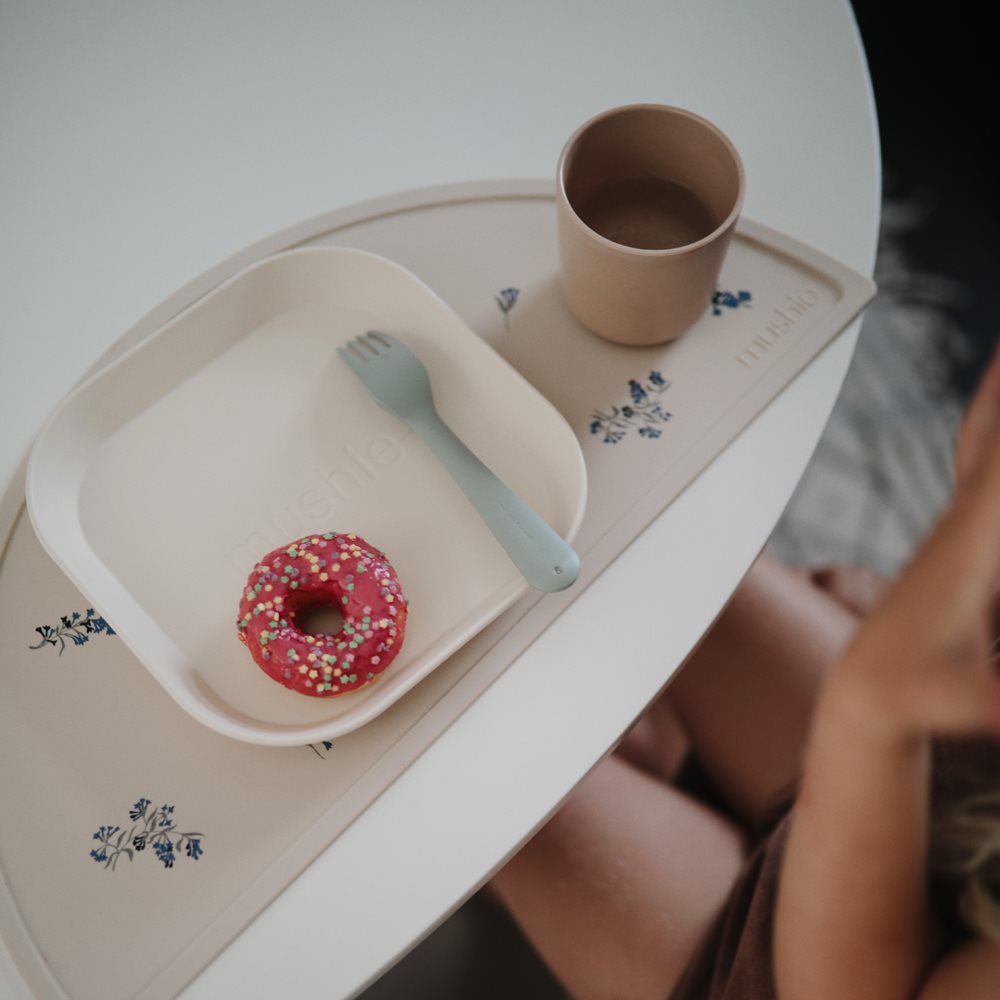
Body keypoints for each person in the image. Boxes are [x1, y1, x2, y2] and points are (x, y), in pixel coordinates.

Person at [488, 341, 1000, 999]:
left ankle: (652, 767)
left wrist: (869, 704)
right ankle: (666, 756)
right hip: (955, 772)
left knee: (476, 747)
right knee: (630, 527)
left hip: (810, 974)